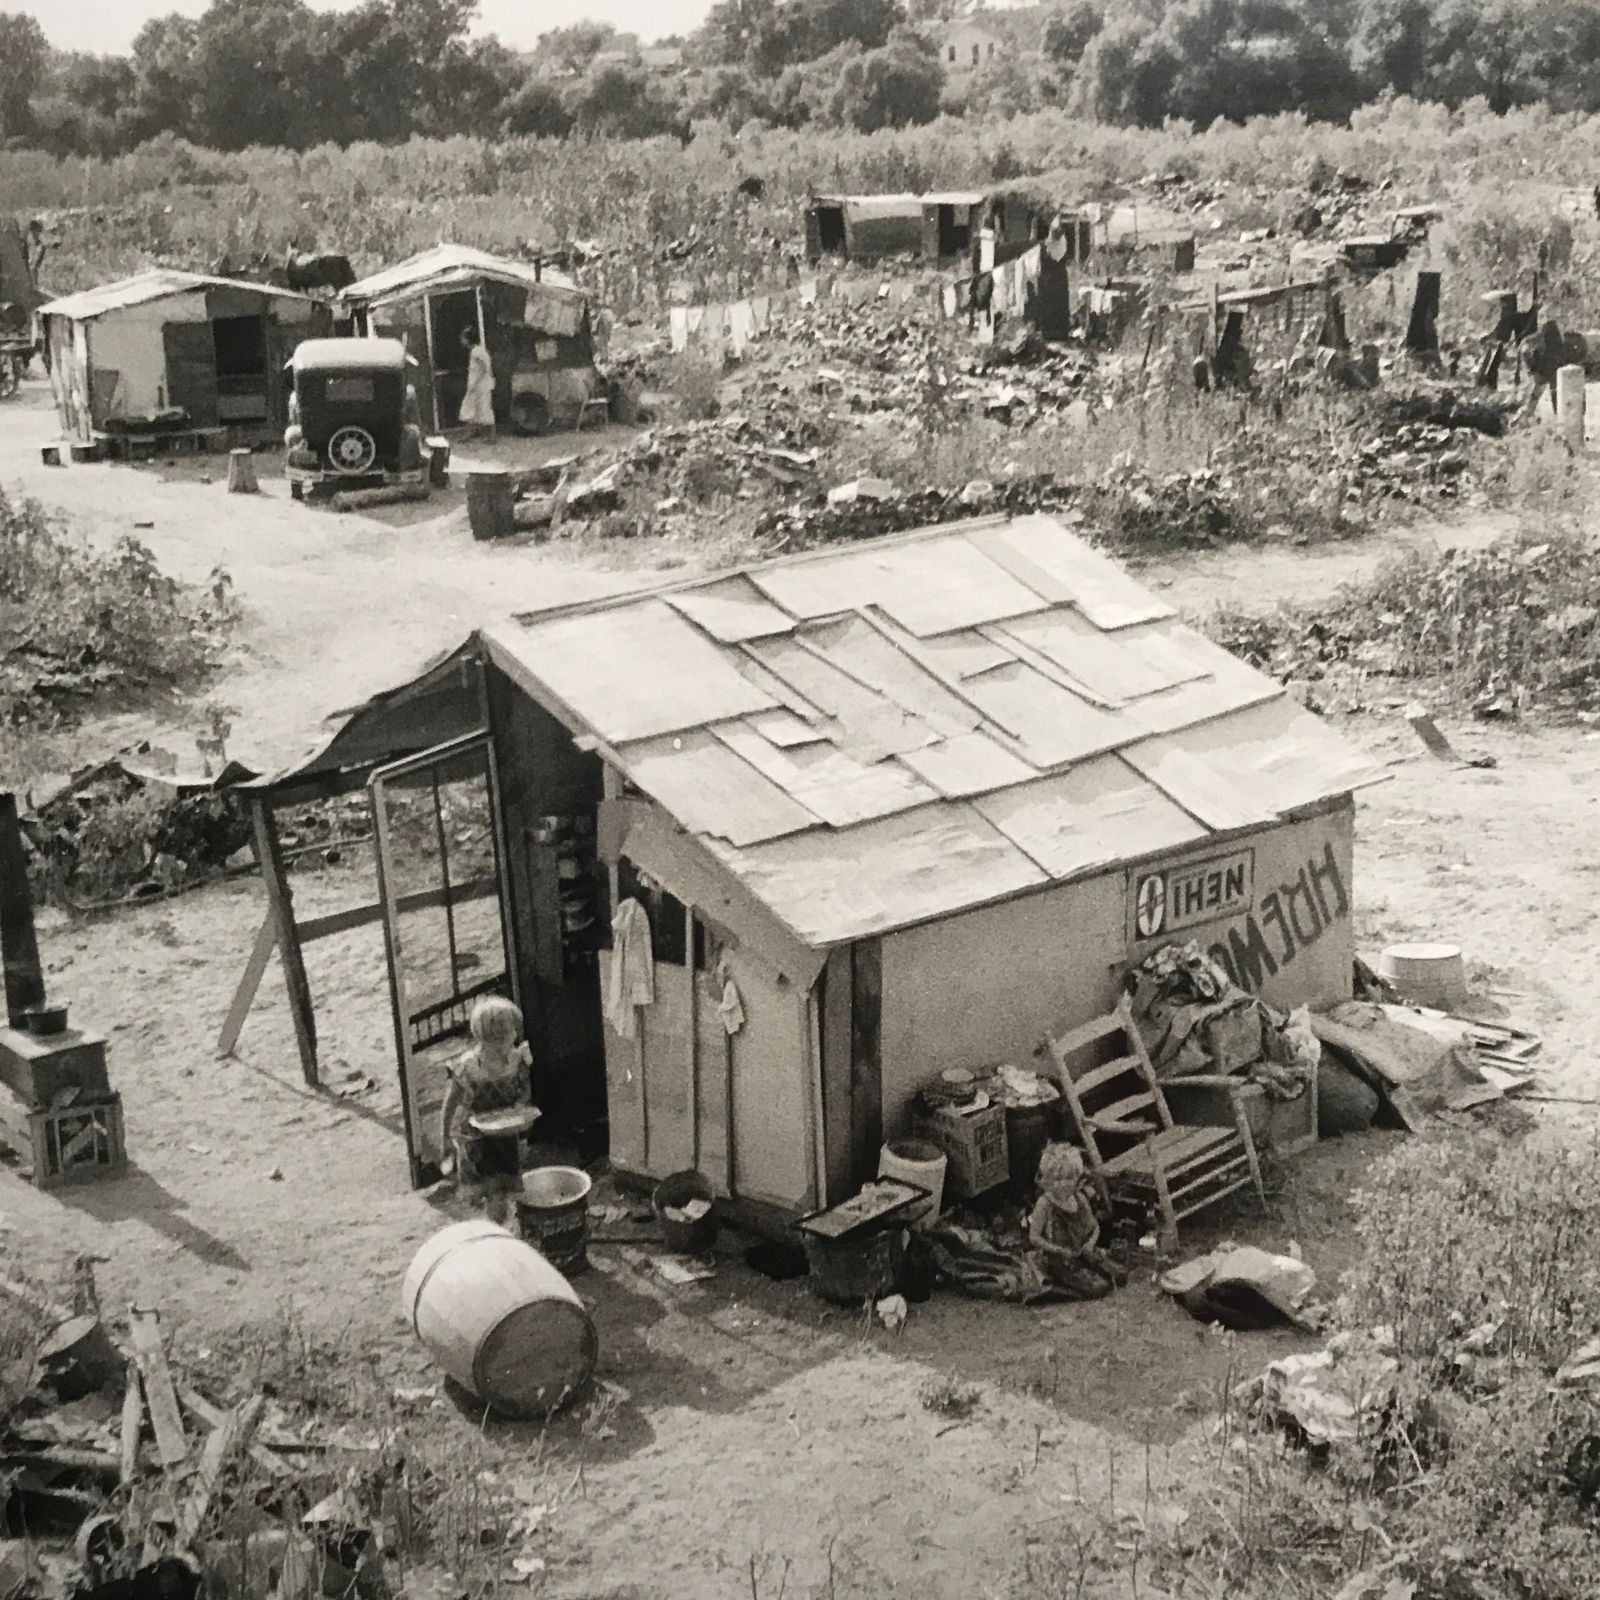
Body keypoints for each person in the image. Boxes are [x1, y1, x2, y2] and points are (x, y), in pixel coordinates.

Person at [438, 996, 535, 1223]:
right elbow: (450, 1103)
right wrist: (444, 1137)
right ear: (494, 1037)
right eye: (510, 1031)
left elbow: (524, 1090)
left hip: (505, 1138)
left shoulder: (514, 1060)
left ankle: (495, 1226)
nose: (515, 1036)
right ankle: (494, 1230)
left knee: (501, 1195)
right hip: (477, 1140)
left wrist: (521, 1106)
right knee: (493, 1195)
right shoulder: (468, 1067)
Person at [458, 326, 495, 439]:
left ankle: (492, 435)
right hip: (477, 385)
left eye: (463, 338)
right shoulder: (477, 351)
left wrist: (475, 383)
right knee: (471, 409)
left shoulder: (476, 352)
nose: (462, 340)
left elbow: (483, 368)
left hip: (480, 386)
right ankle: (469, 433)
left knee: (483, 409)